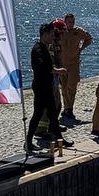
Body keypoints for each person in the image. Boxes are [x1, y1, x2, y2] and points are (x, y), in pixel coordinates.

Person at [26, 22, 71, 151]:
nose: (53, 37)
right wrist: (57, 70)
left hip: (46, 85)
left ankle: (60, 140)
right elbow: (42, 67)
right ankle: (28, 141)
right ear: (44, 35)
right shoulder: (38, 49)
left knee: (52, 113)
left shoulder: (45, 48)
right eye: (51, 34)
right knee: (37, 114)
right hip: (40, 87)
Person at [58, 13, 93, 120]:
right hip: (62, 64)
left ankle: (70, 109)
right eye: (69, 22)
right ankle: (65, 108)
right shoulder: (60, 32)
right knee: (63, 88)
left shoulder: (78, 31)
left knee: (71, 86)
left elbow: (89, 39)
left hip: (74, 63)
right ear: (65, 22)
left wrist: (81, 48)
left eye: (73, 21)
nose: (71, 24)